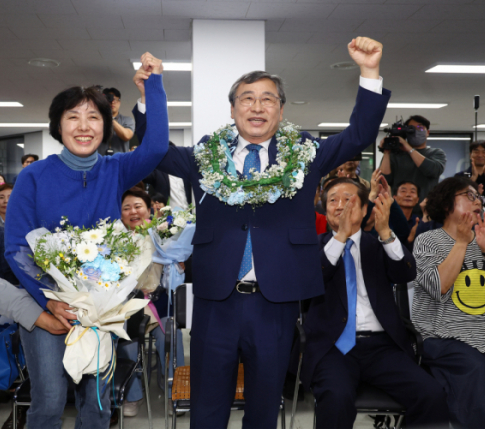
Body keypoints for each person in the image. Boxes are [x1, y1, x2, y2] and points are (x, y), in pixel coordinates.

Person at [142, 37, 389, 426]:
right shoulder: (205, 155)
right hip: (215, 301)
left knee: (263, 408)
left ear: (281, 109)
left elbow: (358, 136)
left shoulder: (305, 154)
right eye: (247, 98)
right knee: (206, 407)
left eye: (267, 99)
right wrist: (149, 94)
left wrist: (369, 72)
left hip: (276, 302)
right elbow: (153, 149)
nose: (257, 106)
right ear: (233, 108)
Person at [4, 53, 168, 429]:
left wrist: (153, 87)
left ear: (106, 126)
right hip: (46, 306)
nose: (84, 126)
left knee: (97, 404)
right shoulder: (35, 176)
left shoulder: (115, 169)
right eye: (73, 117)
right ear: (57, 126)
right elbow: (16, 247)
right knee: (48, 400)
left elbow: (156, 147)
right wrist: (49, 299)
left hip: (100, 308)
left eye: (93, 117)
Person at [302, 178, 449, 428]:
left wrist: (384, 232)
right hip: (333, 347)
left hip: (382, 347)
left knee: (431, 394)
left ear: (363, 209)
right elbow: (310, 281)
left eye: (348, 200)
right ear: (324, 210)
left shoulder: (379, 245)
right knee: (336, 398)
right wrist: (340, 239)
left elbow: (406, 274)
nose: (340, 206)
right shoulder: (311, 248)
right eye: (332, 201)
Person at [412, 176, 485, 428]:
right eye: (469, 195)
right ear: (446, 204)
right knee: (476, 372)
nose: (477, 202)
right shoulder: (428, 241)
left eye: (479, 197)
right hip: (442, 338)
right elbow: (438, 286)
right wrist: (462, 242)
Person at [118, 188, 186, 416]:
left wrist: (178, 265)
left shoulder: (164, 235)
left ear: (149, 209)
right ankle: (132, 394)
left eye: (137, 206)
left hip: (160, 301)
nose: (132, 211)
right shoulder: (114, 239)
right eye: (126, 208)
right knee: (125, 341)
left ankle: (173, 392)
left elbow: (180, 265)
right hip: (128, 305)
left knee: (171, 337)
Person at [380, 115, 446, 205]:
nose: (416, 131)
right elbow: (384, 181)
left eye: (420, 127)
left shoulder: (436, 153)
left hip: (425, 210)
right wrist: (387, 153)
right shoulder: (395, 154)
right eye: (412, 128)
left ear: (428, 132)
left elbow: (433, 170)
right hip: (399, 210)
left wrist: (409, 149)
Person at [455, 140, 485, 223]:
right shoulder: (460, 175)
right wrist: (473, 177)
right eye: (476, 152)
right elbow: (458, 195)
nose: (480, 155)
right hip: (468, 219)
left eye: (484, 152)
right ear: (470, 155)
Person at [96, 87, 135, 154]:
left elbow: (127, 136)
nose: (113, 102)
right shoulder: (97, 119)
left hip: (121, 161)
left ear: (119, 102)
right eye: (110, 99)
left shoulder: (127, 120)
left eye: (115, 99)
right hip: (100, 161)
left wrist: (109, 118)